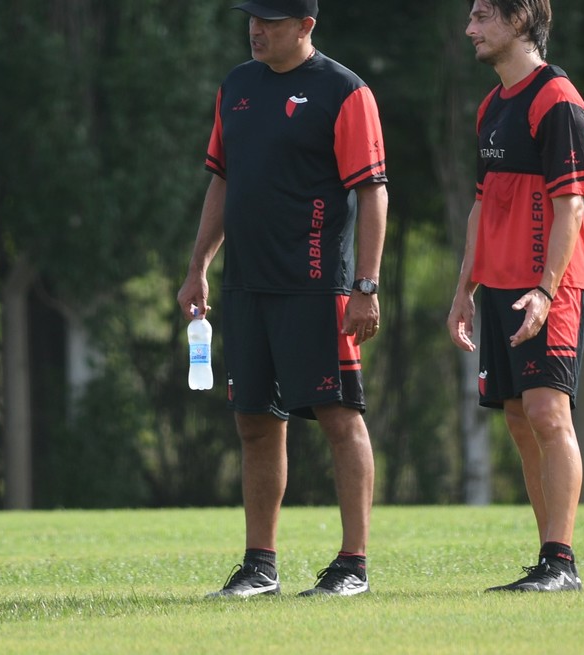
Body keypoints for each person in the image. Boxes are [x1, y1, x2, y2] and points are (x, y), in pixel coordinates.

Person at [176, 0, 388, 598]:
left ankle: (353, 566)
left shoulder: (344, 92)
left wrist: (365, 285)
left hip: (317, 286)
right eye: (252, 17)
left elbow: (372, 193)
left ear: (305, 26)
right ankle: (260, 566)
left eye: (270, 19)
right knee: (254, 423)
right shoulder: (237, 86)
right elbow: (223, 178)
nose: (256, 28)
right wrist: (198, 268)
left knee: (339, 418)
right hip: (247, 286)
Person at [447, 0, 584, 592]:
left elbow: (572, 206)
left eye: (483, 16)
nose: (470, 29)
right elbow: (483, 206)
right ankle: (547, 560)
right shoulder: (491, 106)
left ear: (519, 21)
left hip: (547, 287)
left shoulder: (556, 100)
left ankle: (562, 563)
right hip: (502, 285)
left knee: (546, 412)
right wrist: (464, 289)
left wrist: (544, 290)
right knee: (516, 416)